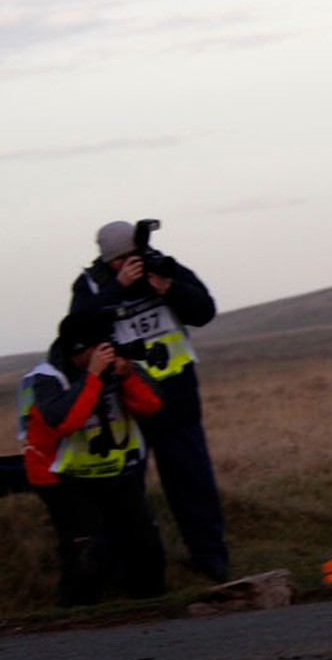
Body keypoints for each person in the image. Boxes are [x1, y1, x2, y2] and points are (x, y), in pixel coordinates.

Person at [68, 221, 228, 582]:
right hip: (124, 404)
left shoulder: (162, 267)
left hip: (177, 397)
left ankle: (210, 558)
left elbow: (204, 311)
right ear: (107, 259)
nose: (130, 262)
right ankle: (130, 571)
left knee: (192, 481)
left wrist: (169, 287)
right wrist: (117, 288)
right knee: (124, 492)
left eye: (134, 254)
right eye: (121, 259)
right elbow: (77, 331)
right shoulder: (90, 285)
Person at [18, 311, 168, 605]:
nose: (105, 350)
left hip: (113, 469)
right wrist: (93, 378)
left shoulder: (117, 365)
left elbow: (151, 405)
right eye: (96, 347)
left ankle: (152, 605)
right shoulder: (46, 378)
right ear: (78, 350)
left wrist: (128, 376)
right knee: (86, 549)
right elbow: (64, 422)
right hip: (60, 476)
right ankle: (78, 615)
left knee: (145, 541)